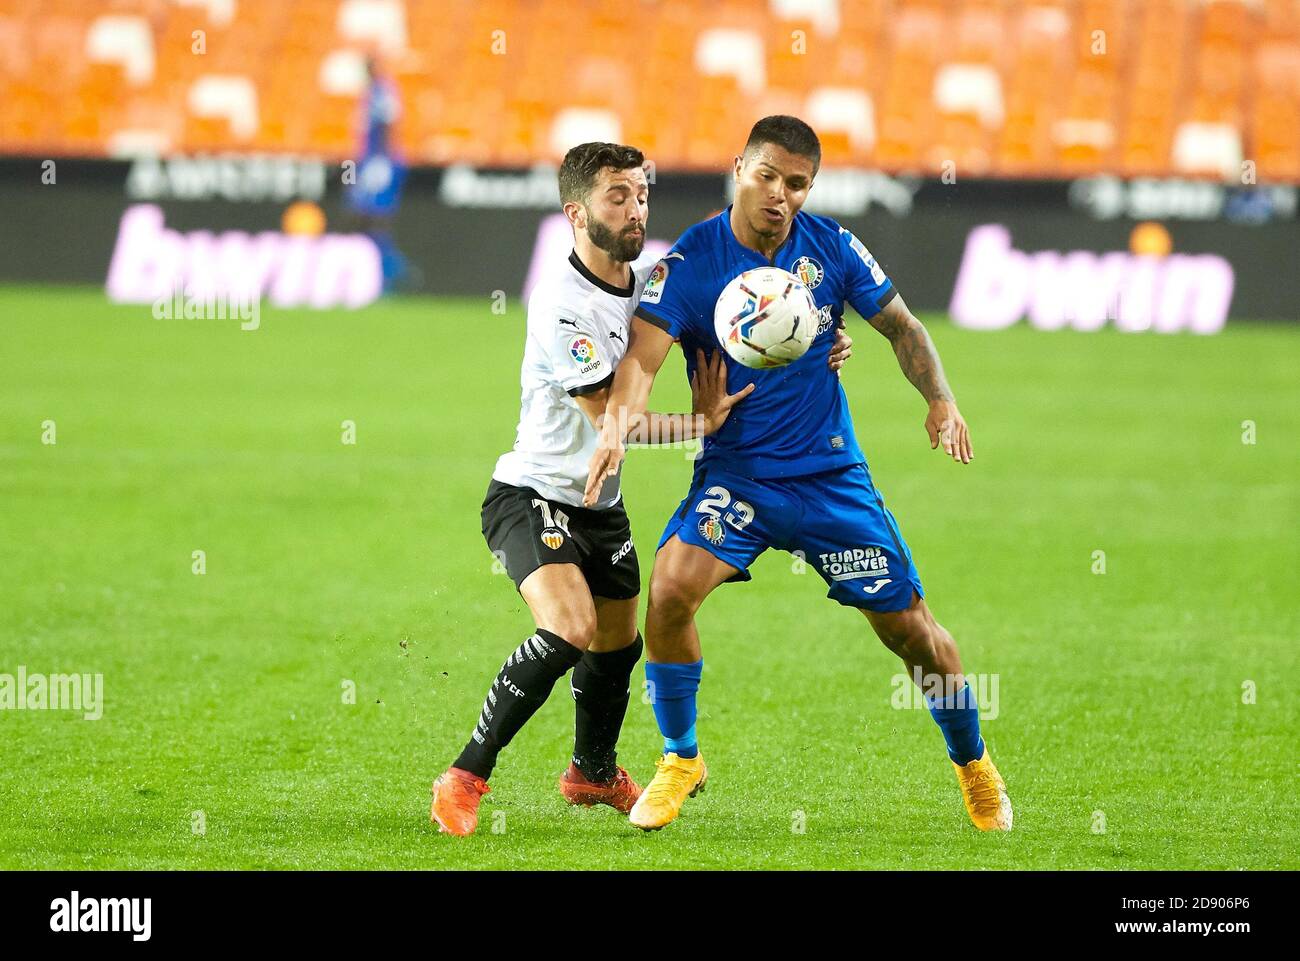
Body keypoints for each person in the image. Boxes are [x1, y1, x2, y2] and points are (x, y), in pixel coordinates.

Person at [585, 116, 1012, 833]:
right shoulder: (688, 265)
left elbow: (904, 327)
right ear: (738, 169)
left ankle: (973, 762)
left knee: (914, 634)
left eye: (796, 183)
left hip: (828, 477)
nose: (779, 194)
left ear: (808, 190)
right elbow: (640, 361)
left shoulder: (834, 249)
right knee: (668, 590)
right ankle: (679, 757)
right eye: (766, 175)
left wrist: (940, 399)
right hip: (738, 478)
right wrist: (618, 426)